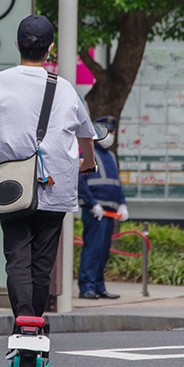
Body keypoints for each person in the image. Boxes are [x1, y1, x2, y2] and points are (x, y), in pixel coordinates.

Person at [0, 15, 97, 327]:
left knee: (17, 257)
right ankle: (35, 322)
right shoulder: (66, 89)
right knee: (42, 263)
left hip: (14, 183)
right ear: (51, 50)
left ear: (17, 44)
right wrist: (89, 162)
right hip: (56, 183)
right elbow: (85, 134)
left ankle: (23, 321)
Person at [77, 115, 129, 299]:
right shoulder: (87, 151)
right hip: (95, 211)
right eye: (108, 131)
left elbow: (116, 183)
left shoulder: (111, 156)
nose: (111, 135)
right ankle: (87, 287)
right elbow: (80, 181)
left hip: (110, 212)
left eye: (113, 132)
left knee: (103, 251)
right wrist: (92, 204)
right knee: (93, 249)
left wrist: (122, 204)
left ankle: (99, 286)